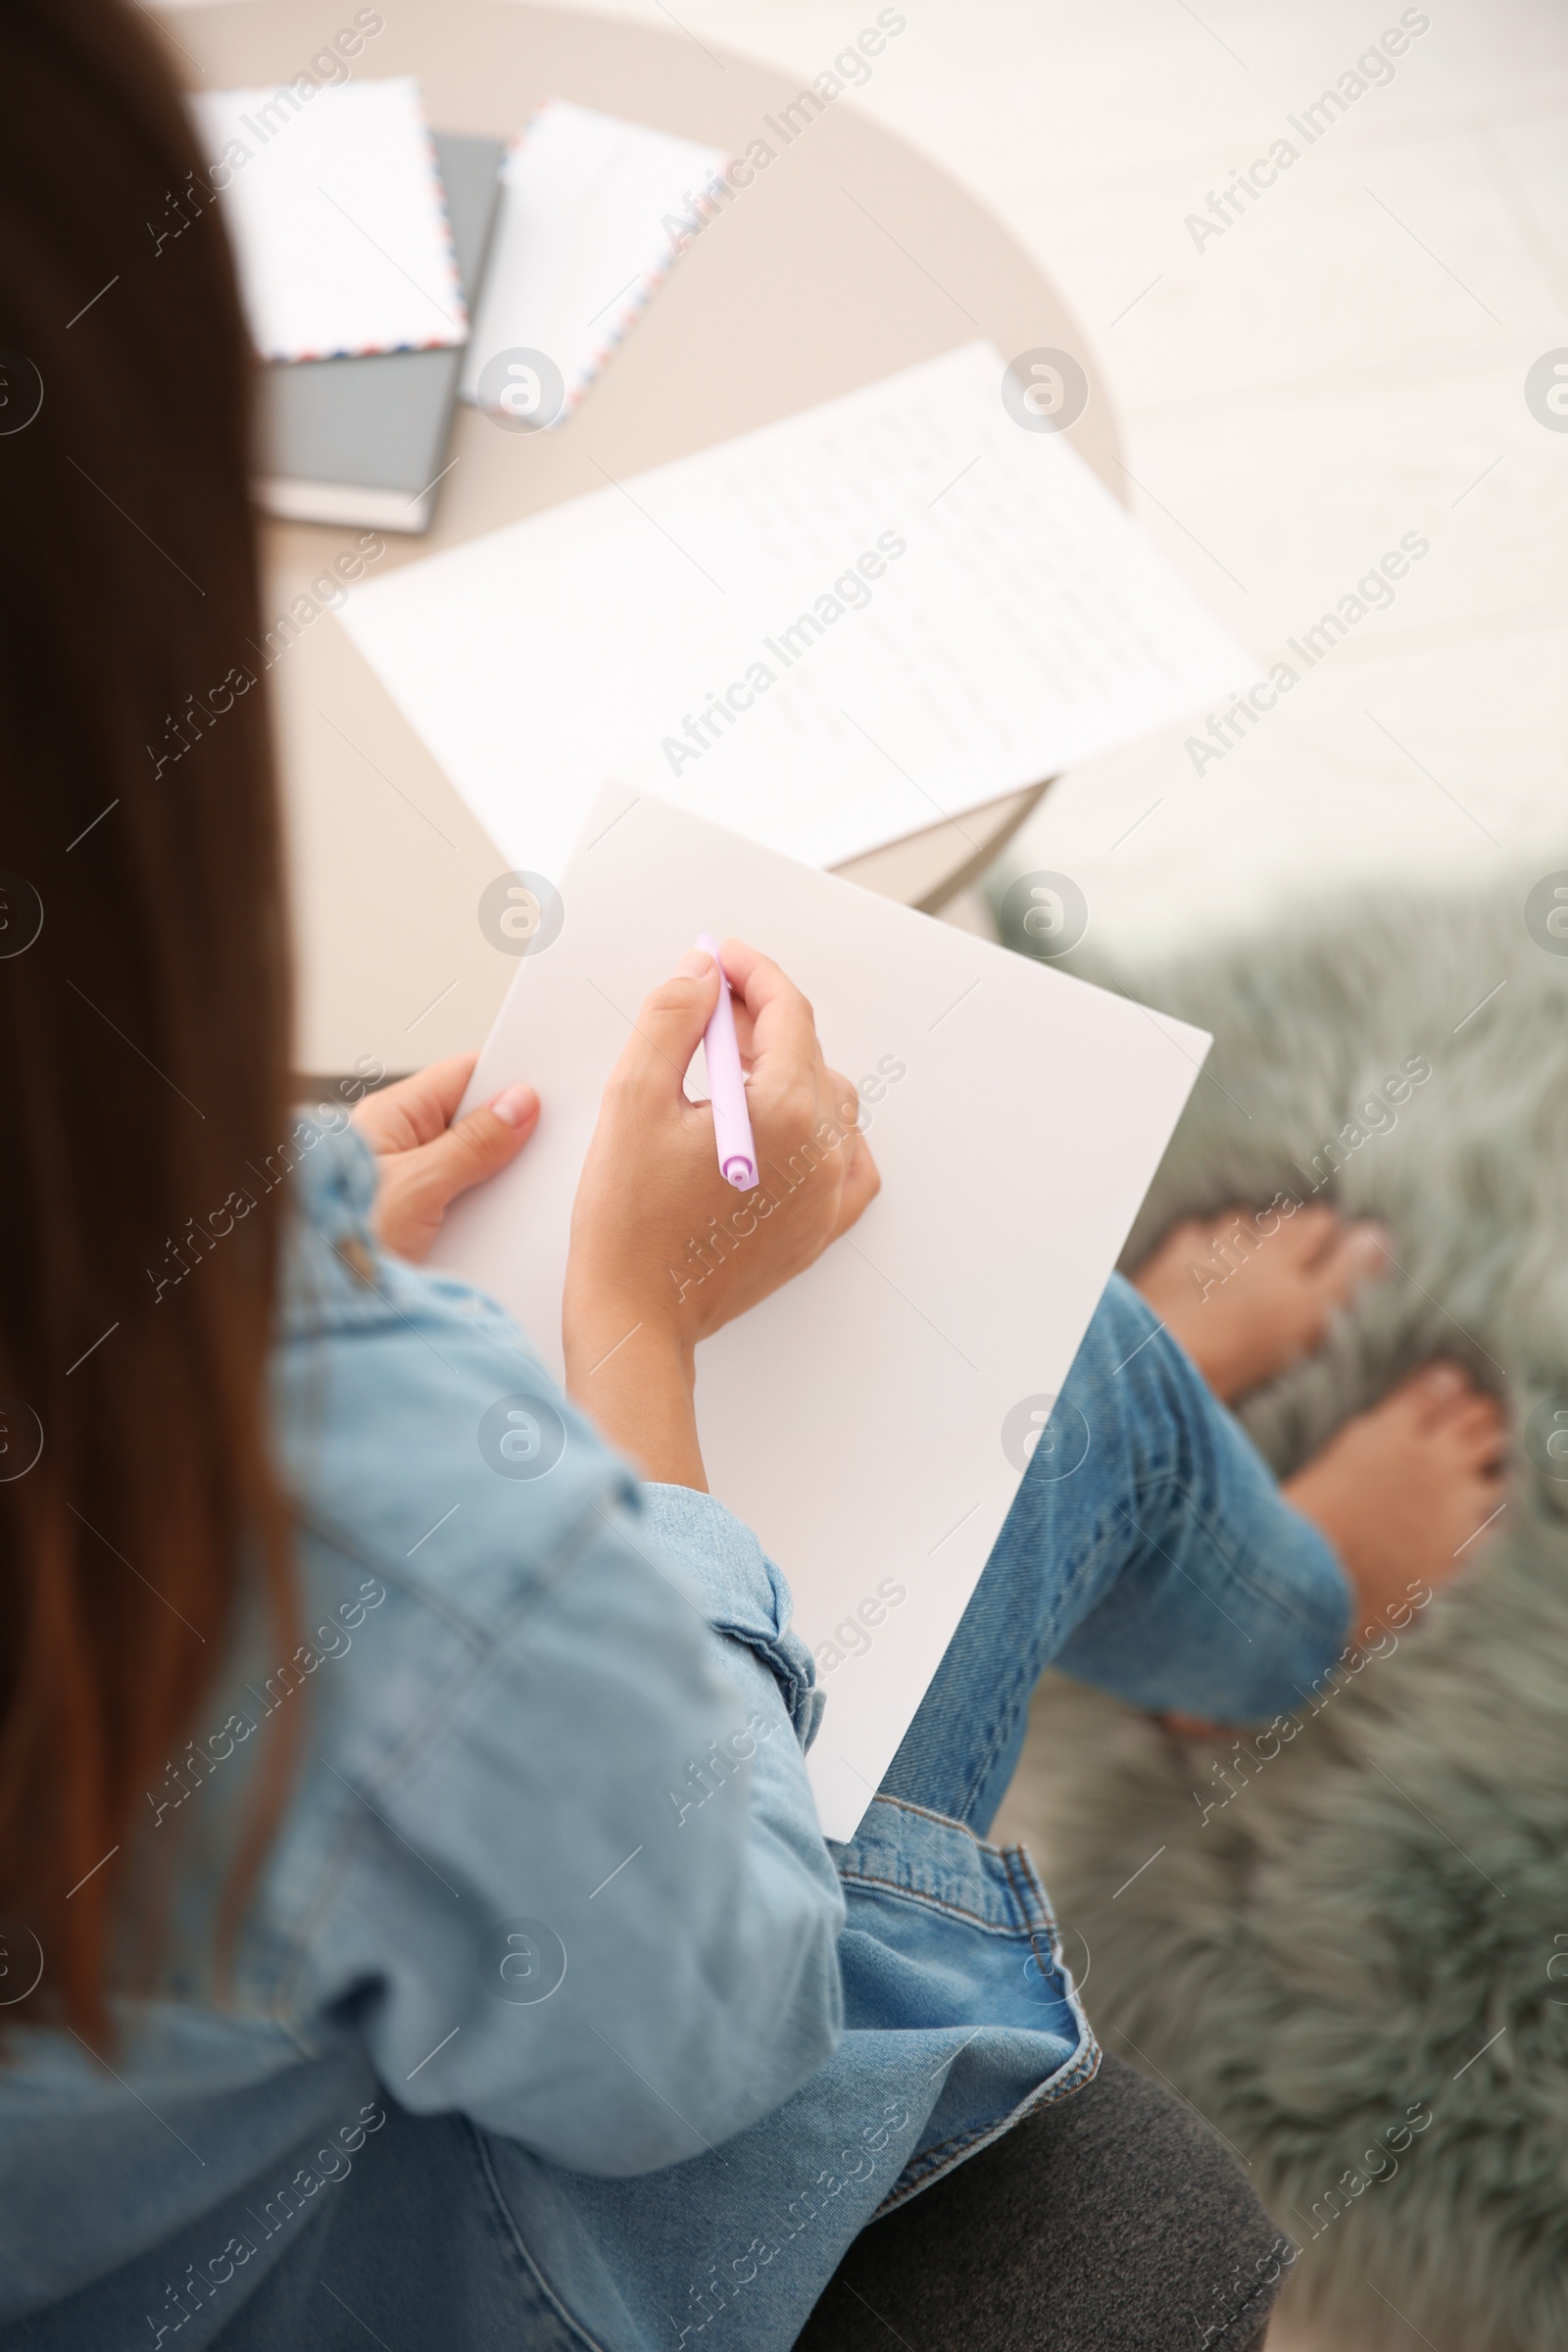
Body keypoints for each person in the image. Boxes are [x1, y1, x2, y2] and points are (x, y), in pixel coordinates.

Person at [0, 6, 1507, 2348]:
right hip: (445, 2239)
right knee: (1069, 1375)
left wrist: (270, 1227)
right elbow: (706, 2023)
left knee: (1004, 1369)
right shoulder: (357, 1518)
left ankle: (1129, 1498)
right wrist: (629, 1347)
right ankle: (1274, 1624)